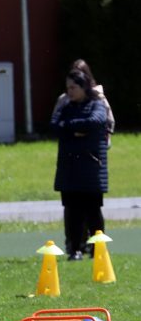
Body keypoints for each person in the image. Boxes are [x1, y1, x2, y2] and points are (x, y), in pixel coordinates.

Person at [50, 69, 108, 261]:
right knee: (72, 212)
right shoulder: (65, 107)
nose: (70, 92)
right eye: (67, 88)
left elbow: (96, 122)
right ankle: (75, 249)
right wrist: (75, 128)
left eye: (73, 87)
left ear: (84, 87)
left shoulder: (97, 105)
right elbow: (55, 125)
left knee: (93, 212)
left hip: (91, 169)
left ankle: (97, 248)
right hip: (69, 169)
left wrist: (70, 127)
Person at [51, 59, 114, 148]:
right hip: (70, 145)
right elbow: (55, 122)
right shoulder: (64, 100)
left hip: (93, 144)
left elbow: (108, 119)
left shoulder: (98, 98)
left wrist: (107, 136)